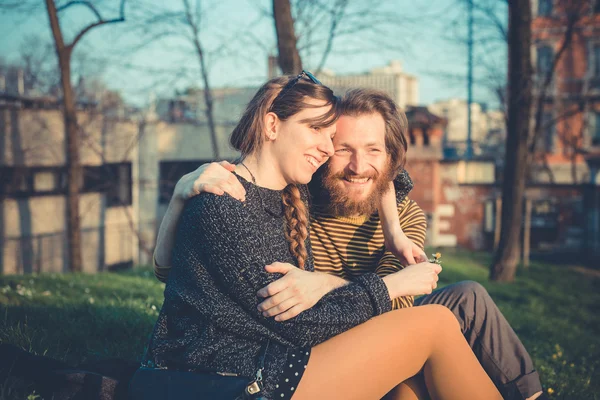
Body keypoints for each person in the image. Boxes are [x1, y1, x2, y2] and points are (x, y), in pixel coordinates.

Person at [153, 87, 545, 400]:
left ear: (390, 159)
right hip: (283, 357)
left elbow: (397, 308)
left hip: (350, 326)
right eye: (341, 148)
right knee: (430, 341)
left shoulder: (404, 218)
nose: (358, 167)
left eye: (374, 150)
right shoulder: (297, 196)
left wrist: (377, 242)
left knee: (466, 298)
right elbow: (185, 266)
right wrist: (182, 194)